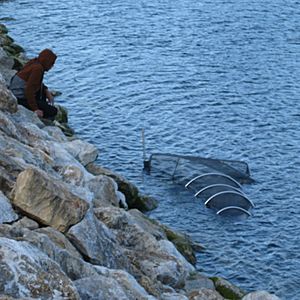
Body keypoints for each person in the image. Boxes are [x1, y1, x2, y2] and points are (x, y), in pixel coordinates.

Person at [9, 48, 58, 119]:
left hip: (15, 91)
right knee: (53, 111)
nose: (52, 66)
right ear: (47, 62)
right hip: (19, 97)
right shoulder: (38, 69)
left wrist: (46, 91)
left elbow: (36, 82)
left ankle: (41, 106)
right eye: (51, 64)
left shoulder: (34, 62)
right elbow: (29, 90)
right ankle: (43, 117)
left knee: (42, 92)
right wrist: (35, 109)